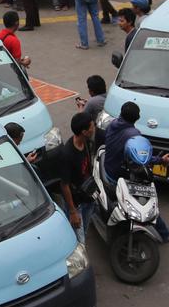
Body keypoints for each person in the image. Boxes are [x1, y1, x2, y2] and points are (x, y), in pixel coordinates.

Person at [57, 111, 97, 242]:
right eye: (92, 126)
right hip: (77, 203)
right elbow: (64, 184)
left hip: (89, 197)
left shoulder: (86, 142)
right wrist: (73, 211)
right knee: (80, 241)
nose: (94, 127)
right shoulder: (67, 154)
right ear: (84, 132)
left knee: (84, 230)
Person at [103, 101, 145, 183]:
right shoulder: (134, 134)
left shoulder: (113, 123)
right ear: (137, 118)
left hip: (108, 168)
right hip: (118, 177)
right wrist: (160, 160)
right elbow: (141, 156)